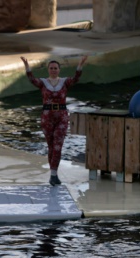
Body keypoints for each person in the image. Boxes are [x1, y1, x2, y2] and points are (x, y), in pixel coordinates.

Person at [20, 55, 88, 186]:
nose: (53, 70)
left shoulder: (65, 82)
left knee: (57, 145)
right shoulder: (43, 83)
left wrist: (80, 64)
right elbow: (31, 79)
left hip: (62, 116)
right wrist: (27, 67)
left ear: (59, 70)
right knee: (51, 146)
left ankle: (53, 174)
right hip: (47, 117)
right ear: (48, 70)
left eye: (55, 68)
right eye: (51, 68)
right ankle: (53, 175)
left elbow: (76, 78)